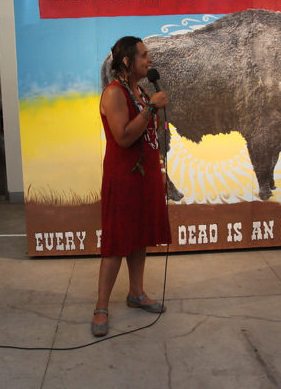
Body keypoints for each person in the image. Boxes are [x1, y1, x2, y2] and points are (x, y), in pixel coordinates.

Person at [92, 36, 171, 337]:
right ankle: (101, 306)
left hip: (145, 175)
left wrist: (158, 169)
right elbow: (124, 137)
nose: (149, 60)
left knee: (140, 235)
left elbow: (148, 137)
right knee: (117, 241)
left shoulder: (140, 91)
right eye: (143, 56)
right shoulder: (114, 94)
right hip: (122, 177)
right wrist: (151, 108)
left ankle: (136, 293)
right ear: (127, 62)